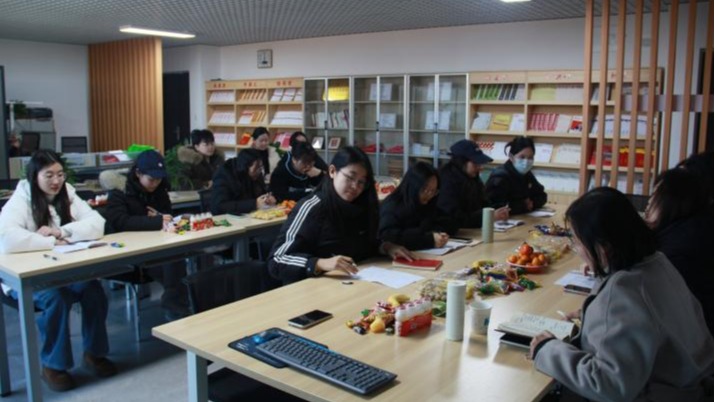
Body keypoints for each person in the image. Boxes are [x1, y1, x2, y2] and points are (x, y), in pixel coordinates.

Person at [530, 187, 713, 401]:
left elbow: (609, 385)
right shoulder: (658, 262)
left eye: (577, 243)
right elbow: (650, 320)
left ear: (604, 248)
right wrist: (594, 318)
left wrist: (547, 349)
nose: (577, 250)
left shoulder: (623, 291)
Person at [0, 150, 116, 392]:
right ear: (34, 176)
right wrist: (50, 241)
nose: (56, 181)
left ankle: (94, 354)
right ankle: (53, 365)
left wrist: (62, 232)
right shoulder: (20, 200)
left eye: (60, 174)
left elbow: (97, 223)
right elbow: (8, 239)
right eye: (49, 175)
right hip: (25, 276)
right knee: (56, 298)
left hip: (60, 269)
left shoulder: (68, 192)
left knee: (93, 290)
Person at [268, 146, 414, 285]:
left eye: (361, 182)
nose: (355, 186)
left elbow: (362, 245)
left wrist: (385, 247)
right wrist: (319, 263)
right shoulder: (313, 207)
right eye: (350, 177)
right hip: (310, 288)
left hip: (350, 282)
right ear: (332, 171)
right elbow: (277, 260)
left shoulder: (360, 205)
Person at [103, 150, 190, 319]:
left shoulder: (160, 190)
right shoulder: (119, 192)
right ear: (138, 173)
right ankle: (177, 308)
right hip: (129, 250)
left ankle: (178, 305)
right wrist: (154, 221)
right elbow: (121, 222)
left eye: (159, 179)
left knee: (176, 257)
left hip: (157, 244)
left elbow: (167, 214)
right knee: (172, 264)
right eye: (151, 179)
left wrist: (159, 216)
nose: (155, 183)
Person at [645, 168, 712, 333]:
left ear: (672, 201)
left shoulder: (678, 251)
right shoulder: (694, 227)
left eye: (655, 196)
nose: (648, 202)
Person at [379, 161, 458, 250]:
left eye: (433, 191)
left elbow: (448, 222)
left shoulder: (426, 203)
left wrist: (437, 233)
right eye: (425, 189)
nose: (429, 195)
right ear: (414, 186)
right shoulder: (393, 207)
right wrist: (428, 239)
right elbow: (389, 237)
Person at [437, 139, 509, 228]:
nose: (480, 168)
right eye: (475, 164)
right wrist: (488, 217)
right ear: (461, 162)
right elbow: (454, 218)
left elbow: (484, 204)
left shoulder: (472, 178)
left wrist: (499, 209)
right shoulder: (446, 181)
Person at [485, 136, 547, 214]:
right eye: (522, 157)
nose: (526, 161)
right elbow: (495, 206)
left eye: (530, 158)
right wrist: (523, 205)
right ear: (511, 157)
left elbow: (542, 195)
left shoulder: (526, 174)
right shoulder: (500, 176)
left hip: (523, 217)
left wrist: (532, 203)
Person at [210, 148, 276, 215]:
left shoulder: (255, 173)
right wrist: (254, 204)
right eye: (257, 168)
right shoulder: (224, 175)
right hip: (225, 217)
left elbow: (260, 194)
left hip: (248, 215)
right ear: (246, 166)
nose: (260, 171)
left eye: (261, 167)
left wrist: (266, 199)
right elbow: (220, 206)